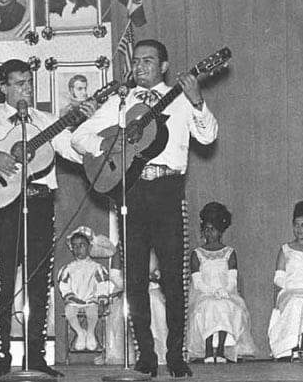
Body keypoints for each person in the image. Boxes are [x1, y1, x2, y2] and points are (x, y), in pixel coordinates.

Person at [71, 39, 218, 377]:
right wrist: (110, 143)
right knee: (135, 279)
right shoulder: (121, 101)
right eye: (136, 61)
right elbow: (80, 136)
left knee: (173, 280)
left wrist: (197, 99)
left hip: (168, 190)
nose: (139, 67)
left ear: (164, 66)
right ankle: (145, 358)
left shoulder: (181, 98)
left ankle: (176, 356)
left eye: (148, 61)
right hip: (132, 191)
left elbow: (208, 138)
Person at [0, 59, 95, 378]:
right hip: (3, 204)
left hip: (39, 204)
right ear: (3, 87)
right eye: (19, 83)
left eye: (29, 82)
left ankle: (35, 355)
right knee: (2, 281)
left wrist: (83, 126)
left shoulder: (46, 120)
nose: (25, 88)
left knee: (39, 282)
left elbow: (75, 152)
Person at [187, 202, 256, 363]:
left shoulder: (229, 253)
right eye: (206, 229)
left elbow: (232, 280)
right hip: (204, 294)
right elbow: (198, 283)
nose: (209, 233)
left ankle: (221, 349)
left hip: (226, 293)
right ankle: (209, 349)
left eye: (213, 229)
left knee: (226, 306)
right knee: (209, 306)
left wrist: (224, 291)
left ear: (220, 231)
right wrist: (213, 291)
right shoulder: (197, 254)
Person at [269, 200, 303, 361]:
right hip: (290, 291)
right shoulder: (285, 249)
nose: (299, 229)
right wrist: (292, 287)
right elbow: (278, 277)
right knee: (297, 302)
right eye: (296, 224)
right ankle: (294, 345)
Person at [57, 226, 110, 352]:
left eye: (82, 245)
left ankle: (90, 332)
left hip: (91, 300)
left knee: (92, 311)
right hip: (75, 300)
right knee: (69, 311)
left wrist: (102, 299)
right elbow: (64, 285)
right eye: (75, 246)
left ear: (89, 247)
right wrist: (71, 297)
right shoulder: (68, 269)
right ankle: (80, 333)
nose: (78, 249)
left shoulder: (96, 268)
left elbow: (102, 284)